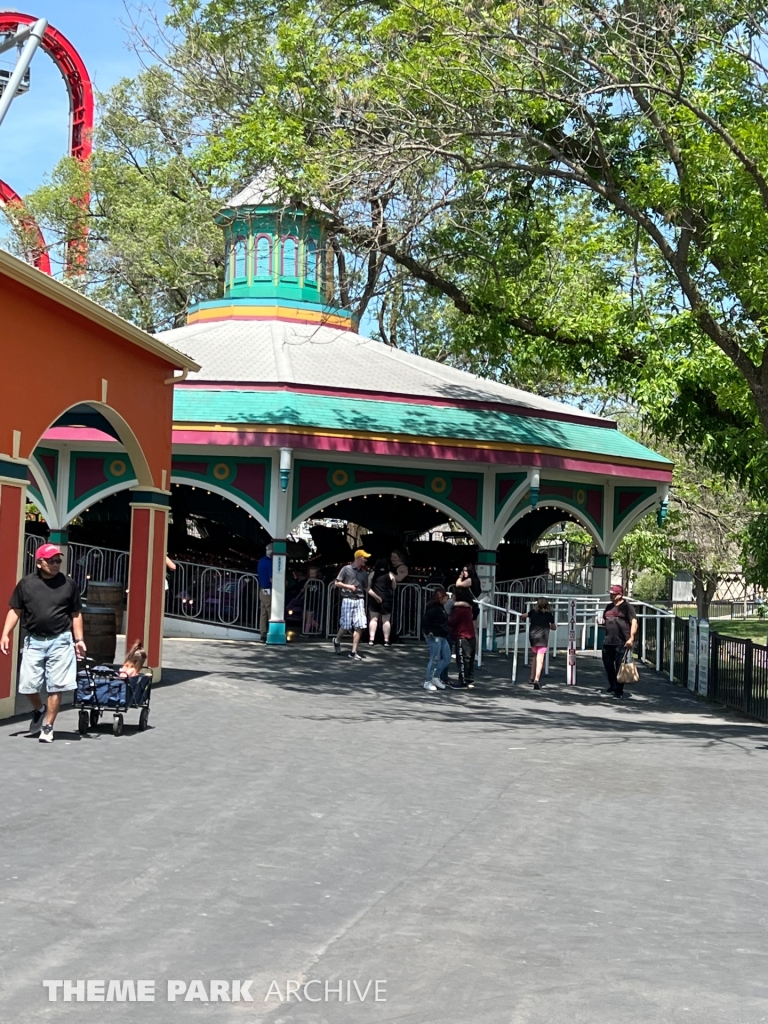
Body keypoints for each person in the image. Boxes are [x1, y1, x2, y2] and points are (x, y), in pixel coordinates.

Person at [0, 543, 87, 743]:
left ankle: (48, 726)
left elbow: (76, 614)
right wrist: (5, 634)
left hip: (61, 640)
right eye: (51, 560)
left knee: (56, 686)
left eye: (58, 560)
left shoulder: (68, 584)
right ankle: (39, 709)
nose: (56, 564)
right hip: (33, 641)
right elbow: (15, 610)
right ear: (39, 562)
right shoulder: (26, 584)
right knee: (28, 686)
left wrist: (79, 639)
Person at [601, 584, 638, 699]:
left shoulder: (627, 607)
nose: (611, 595)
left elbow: (634, 623)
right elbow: (604, 619)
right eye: (611, 594)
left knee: (619, 666)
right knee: (607, 664)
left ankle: (618, 690)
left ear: (620, 595)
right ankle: (612, 684)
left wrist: (631, 638)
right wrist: (602, 621)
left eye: (613, 594)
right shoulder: (608, 607)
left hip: (622, 641)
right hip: (608, 640)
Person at [333, 549, 370, 660]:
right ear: (358, 558)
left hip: (359, 599)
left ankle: (353, 652)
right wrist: (349, 587)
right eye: (364, 558)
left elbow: (366, 587)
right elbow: (336, 582)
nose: (366, 560)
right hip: (348, 599)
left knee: (360, 625)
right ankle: (337, 640)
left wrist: (376, 596)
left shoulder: (364, 573)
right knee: (345, 626)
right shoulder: (346, 569)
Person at [521, 598, 556, 689]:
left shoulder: (533, 612)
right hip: (543, 638)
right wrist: (549, 625)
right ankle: (536, 679)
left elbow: (523, 616)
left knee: (535, 656)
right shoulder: (549, 615)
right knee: (540, 659)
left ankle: (531, 678)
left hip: (533, 637)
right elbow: (553, 627)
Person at [421, 587, 451, 691]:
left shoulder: (440, 607)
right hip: (435, 635)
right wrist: (428, 633)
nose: (447, 598)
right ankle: (428, 681)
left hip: (442, 635)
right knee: (434, 658)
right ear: (440, 597)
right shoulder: (433, 609)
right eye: (445, 596)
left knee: (447, 658)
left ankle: (435, 677)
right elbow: (425, 621)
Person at [447, 597, 475, 688]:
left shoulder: (459, 610)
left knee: (462, 659)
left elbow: (452, 622)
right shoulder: (469, 609)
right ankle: (469, 679)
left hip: (462, 635)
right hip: (470, 634)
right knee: (469, 659)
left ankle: (463, 680)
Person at [368, 557, 395, 646]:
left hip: (374, 597)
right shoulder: (390, 574)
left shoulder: (372, 574)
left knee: (373, 619)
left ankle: (371, 639)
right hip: (387, 598)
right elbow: (394, 587)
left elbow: (368, 586)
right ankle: (386, 640)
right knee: (386, 620)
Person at [454, 563, 482, 640]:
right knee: (474, 631)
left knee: (473, 631)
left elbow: (458, 584)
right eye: (463, 571)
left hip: (471, 606)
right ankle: (476, 651)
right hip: (474, 605)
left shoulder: (470, 580)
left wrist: (460, 577)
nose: (464, 573)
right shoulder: (476, 580)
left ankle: (475, 650)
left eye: (466, 571)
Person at [257, 544, 273, 642]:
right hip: (269, 591)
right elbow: (271, 579)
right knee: (271, 613)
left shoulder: (261, 561)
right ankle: (272, 633)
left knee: (263, 613)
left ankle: (262, 633)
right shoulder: (271, 563)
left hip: (262, 590)